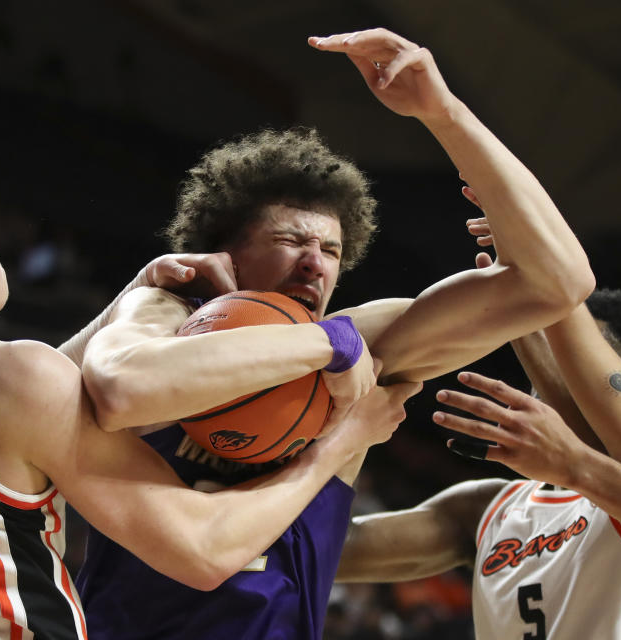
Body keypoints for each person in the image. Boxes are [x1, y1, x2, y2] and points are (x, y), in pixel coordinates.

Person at [74, 28, 594, 639]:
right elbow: (108, 386)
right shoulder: (159, 317)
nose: (316, 264)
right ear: (223, 253)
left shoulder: (364, 340)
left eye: (331, 250)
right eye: (291, 241)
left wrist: (444, 112)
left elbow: (558, 283)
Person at [0, 147, 421, 638]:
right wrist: (341, 437)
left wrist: (129, 298)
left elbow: (26, 395)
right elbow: (205, 551)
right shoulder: (8, 378)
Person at [335, 287, 621, 637]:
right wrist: (353, 430)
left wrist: (576, 465)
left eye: (573, 356)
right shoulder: (485, 509)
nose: (547, 367)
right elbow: (327, 553)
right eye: (551, 347)